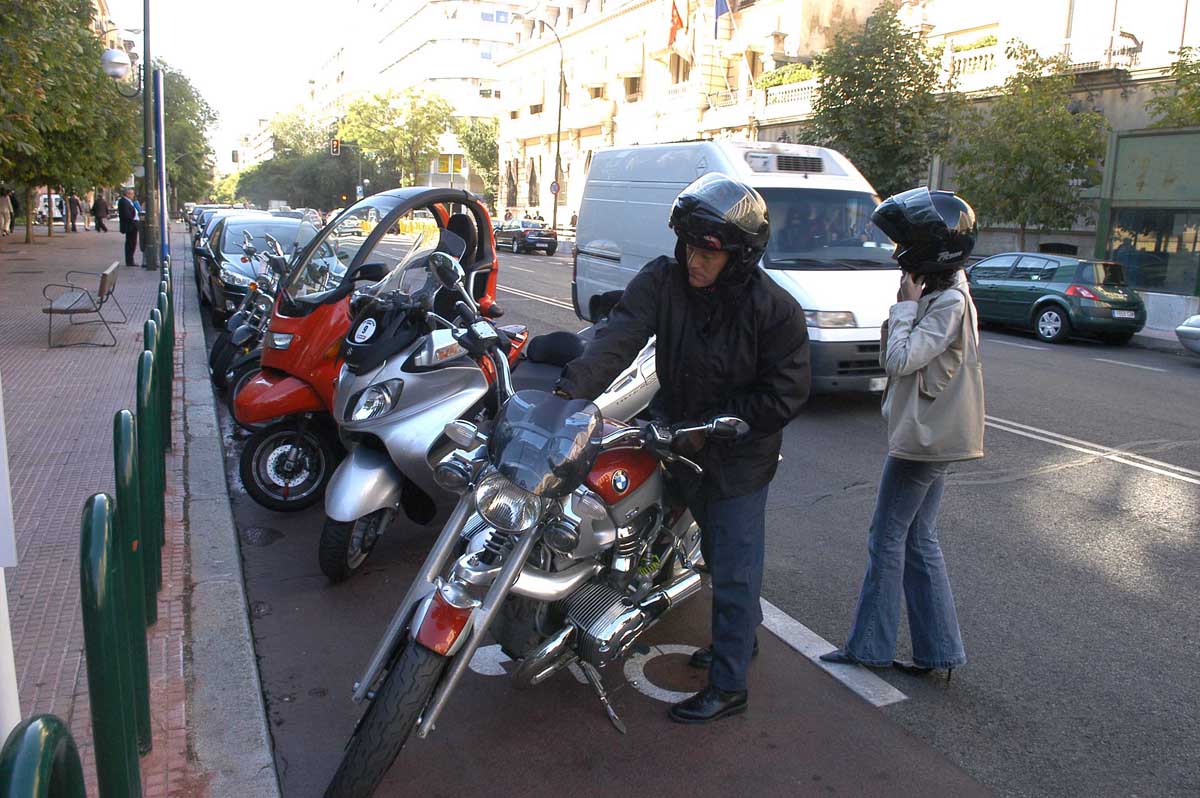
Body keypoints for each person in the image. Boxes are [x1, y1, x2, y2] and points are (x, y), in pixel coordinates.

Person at [556, 173, 811, 724]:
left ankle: (730, 685)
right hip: (676, 436)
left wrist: (725, 425)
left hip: (737, 453)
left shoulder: (775, 311)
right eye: (690, 246)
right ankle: (741, 638)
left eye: (709, 253)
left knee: (736, 564)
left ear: (740, 256)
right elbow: (618, 338)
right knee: (713, 553)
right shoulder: (663, 281)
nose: (695, 260)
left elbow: (785, 393)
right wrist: (568, 391)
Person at [820, 187, 983, 681]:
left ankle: (869, 647)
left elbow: (899, 360)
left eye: (905, 244)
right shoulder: (951, 292)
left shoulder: (944, 303)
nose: (898, 254)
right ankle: (939, 651)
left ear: (929, 250)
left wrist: (905, 307)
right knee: (918, 539)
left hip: (923, 442)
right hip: (933, 437)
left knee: (886, 538)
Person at [117, 188, 140, 266]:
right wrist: (133, 220)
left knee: (132, 242)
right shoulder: (124, 201)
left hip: (132, 224)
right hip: (130, 225)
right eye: (132, 194)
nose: (133, 195)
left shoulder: (128, 201)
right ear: (128, 194)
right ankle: (130, 261)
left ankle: (130, 260)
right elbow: (127, 214)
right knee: (130, 243)